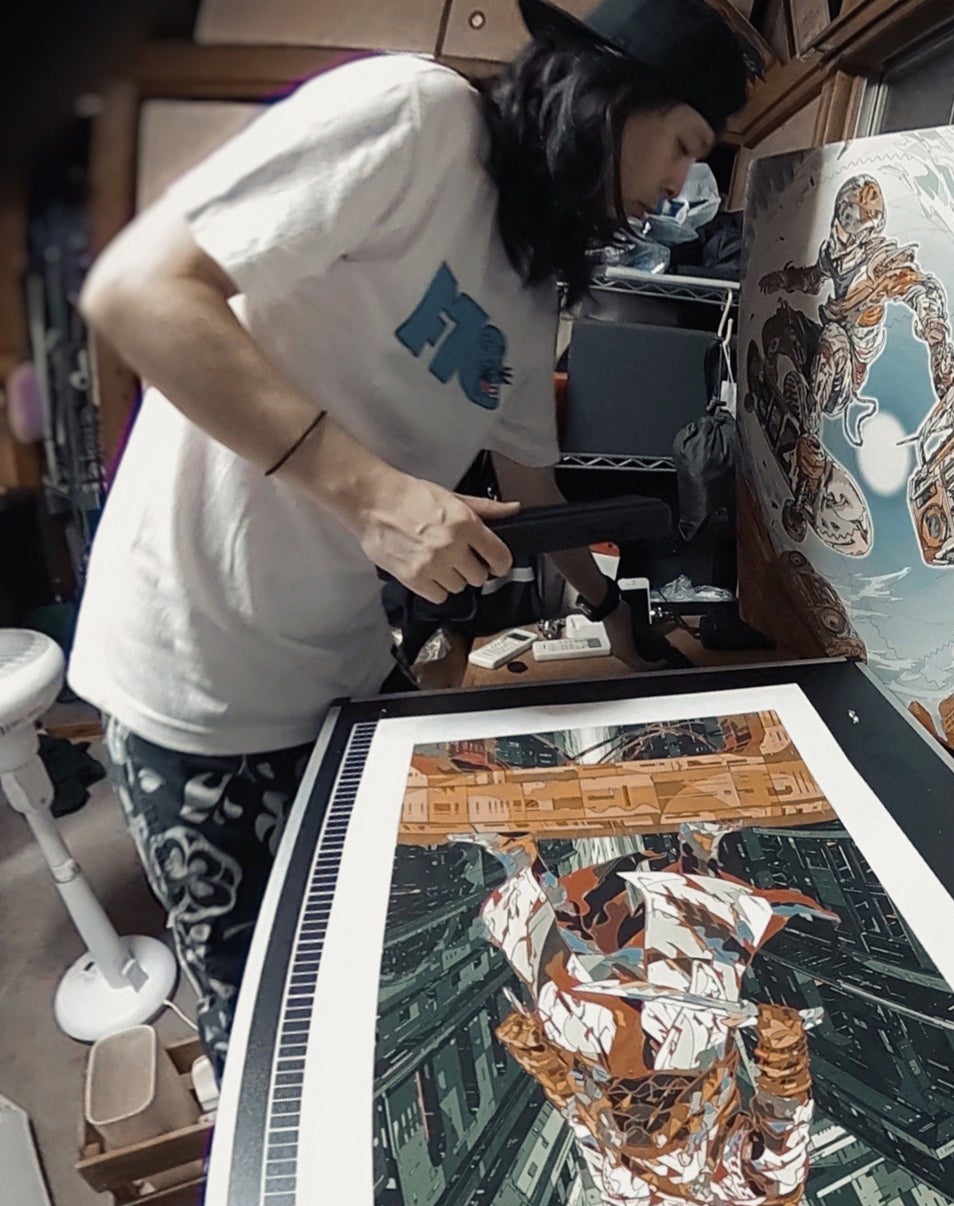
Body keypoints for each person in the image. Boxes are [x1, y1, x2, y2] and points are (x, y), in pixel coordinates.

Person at [69, 0, 761, 1067]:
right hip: (196, 683)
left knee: (394, 987)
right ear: (612, 96)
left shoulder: (529, 281)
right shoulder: (414, 116)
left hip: (343, 674)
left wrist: (612, 614)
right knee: (269, 1037)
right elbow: (137, 292)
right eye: (682, 144)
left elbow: (529, 483)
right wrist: (376, 498)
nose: (681, 186)